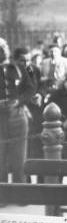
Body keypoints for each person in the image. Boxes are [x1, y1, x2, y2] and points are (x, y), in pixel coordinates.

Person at [0, 39, 35, 184]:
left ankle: (20, 192)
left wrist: (19, 101)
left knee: (19, 157)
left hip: (19, 118)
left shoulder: (19, 67)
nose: (2, 51)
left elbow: (30, 89)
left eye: (4, 47)